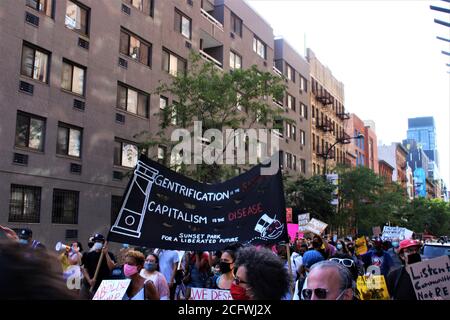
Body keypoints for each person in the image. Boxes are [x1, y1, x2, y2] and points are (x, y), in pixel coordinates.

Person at [0, 241, 77, 299]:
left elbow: (73, 262)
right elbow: (58, 259)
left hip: (73, 275)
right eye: (72, 246)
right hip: (65, 274)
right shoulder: (64, 255)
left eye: (74, 246)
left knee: (74, 290)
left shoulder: (77, 255)